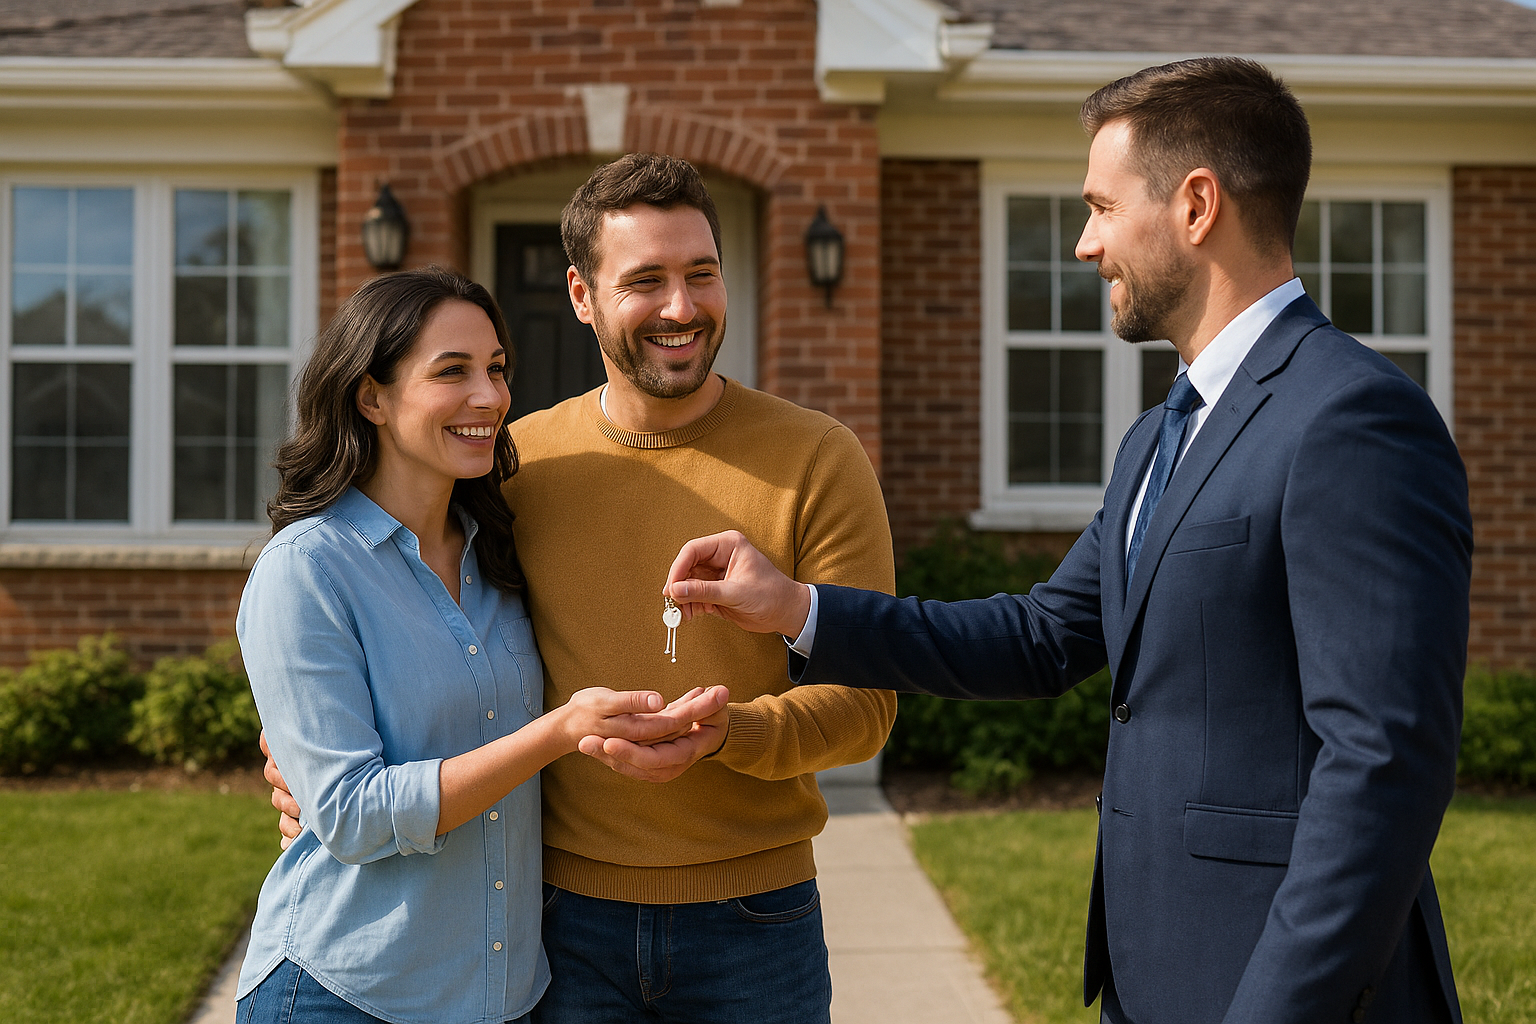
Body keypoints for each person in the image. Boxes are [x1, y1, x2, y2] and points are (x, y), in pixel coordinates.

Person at [664, 58, 1472, 1024]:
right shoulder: (1160, 433)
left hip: (1285, 984)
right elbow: (1044, 637)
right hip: (1153, 969)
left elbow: (1384, 763)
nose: (1085, 244)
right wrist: (799, 608)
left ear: (1197, 205)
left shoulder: (1352, 420)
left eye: (1099, 205)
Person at [268, 155, 897, 1023]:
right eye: (646, 280)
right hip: (557, 924)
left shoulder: (819, 459)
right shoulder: (511, 464)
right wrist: (302, 764)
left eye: (701, 275)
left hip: (758, 919)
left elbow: (867, 708)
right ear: (581, 295)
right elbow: (379, 615)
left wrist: (730, 734)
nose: (681, 307)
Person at [236, 267, 724, 1024]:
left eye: (496, 369)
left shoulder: (498, 553)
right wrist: (558, 733)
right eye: (452, 372)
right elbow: (353, 815)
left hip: (503, 998)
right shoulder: (307, 570)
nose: (490, 397)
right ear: (370, 396)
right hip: (347, 995)